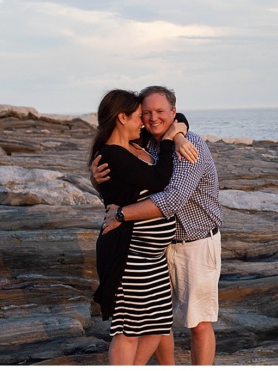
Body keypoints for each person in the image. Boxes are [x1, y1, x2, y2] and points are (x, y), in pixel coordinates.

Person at [98, 86, 224, 365]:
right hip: (155, 250)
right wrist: (99, 181)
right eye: (146, 113)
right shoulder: (148, 143)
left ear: (173, 113)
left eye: (160, 112)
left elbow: (173, 198)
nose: (153, 118)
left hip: (196, 243)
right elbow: (121, 173)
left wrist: (121, 215)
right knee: (158, 321)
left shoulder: (191, 147)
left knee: (199, 323)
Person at [89, 89, 188, 365]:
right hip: (128, 254)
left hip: (153, 258)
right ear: (121, 117)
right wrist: (169, 143)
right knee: (128, 330)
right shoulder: (111, 153)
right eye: (137, 117)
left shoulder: (136, 143)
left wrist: (177, 134)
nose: (144, 123)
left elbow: (176, 116)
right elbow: (158, 181)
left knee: (158, 324)